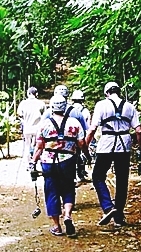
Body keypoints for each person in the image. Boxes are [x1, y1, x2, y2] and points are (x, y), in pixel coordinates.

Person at [29, 94, 90, 237]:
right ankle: (67, 215)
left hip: (48, 161)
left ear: (51, 108)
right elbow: (82, 143)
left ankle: (57, 226)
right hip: (68, 160)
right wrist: (87, 155)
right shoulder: (74, 122)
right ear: (65, 107)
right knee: (68, 188)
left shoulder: (44, 124)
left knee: (52, 192)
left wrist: (33, 162)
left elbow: (39, 146)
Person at [85, 82, 141, 227]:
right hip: (124, 145)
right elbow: (139, 131)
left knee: (98, 176)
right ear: (119, 91)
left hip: (106, 144)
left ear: (106, 93)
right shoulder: (129, 106)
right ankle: (119, 216)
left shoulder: (101, 105)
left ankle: (108, 207)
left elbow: (92, 129)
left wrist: (84, 146)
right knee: (122, 180)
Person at [17, 87, 46, 167]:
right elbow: (45, 115)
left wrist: (24, 120)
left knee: (27, 146)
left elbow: (19, 114)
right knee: (37, 147)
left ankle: (28, 164)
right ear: (36, 94)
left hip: (27, 128)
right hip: (37, 129)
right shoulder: (41, 103)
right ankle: (35, 163)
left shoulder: (23, 103)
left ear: (28, 94)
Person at [71, 89, 91, 182]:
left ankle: (73, 174)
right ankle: (81, 173)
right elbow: (88, 126)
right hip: (81, 135)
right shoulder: (85, 111)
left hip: (70, 135)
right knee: (80, 153)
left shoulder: (69, 110)